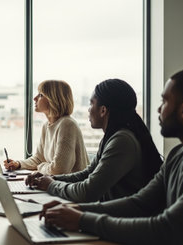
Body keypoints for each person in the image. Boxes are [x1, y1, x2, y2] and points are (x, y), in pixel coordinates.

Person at [40, 67, 183, 245]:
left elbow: (167, 229)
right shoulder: (178, 154)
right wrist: (76, 210)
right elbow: (139, 203)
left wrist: (82, 219)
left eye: (165, 102)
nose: (159, 110)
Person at [26, 79, 163, 203]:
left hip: (118, 221)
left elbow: (87, 192)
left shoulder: (122, 141)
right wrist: (53, 180)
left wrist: (50, 185)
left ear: (103, 110)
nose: (88, 109)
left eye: (91, 104)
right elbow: (88, 173)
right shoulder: (111, 137)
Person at [4, 80, 89, 175]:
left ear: (53, 99)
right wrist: (18, 164)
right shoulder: (46, 126)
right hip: (56, 185)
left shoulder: (67, 125)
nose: (34, 98)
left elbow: (58, 170)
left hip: (71, 187)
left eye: (40, 95)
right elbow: (39, 159)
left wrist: (40, 167)